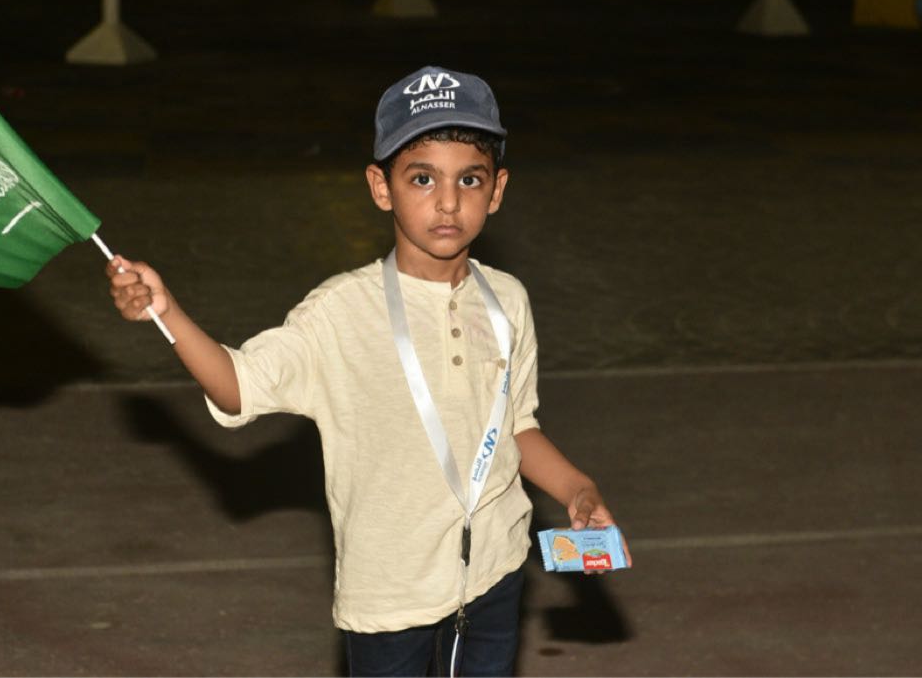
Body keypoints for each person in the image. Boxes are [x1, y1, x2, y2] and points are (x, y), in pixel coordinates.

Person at [105, 66, 630, 677]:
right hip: (390, 594)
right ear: (381, 187)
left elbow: (517, 426)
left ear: (497, 190)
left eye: (470, 179)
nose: (448, 201)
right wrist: (167, 311)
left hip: (495, 569)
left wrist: (576, 488)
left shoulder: (507, 300)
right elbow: (237, 386)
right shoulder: (340, 312)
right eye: (422, 178)